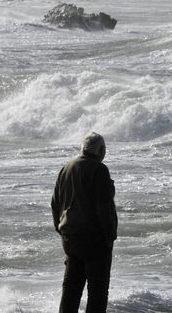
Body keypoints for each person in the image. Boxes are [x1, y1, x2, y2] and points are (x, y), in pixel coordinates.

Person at [51, 132, 118, 313]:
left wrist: (62, 230)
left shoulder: (66, 168)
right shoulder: (99, 169)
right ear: (101, 150)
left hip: (70, 238)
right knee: (97, 292)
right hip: (94, 240)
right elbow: (103, 207)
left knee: (71, 290)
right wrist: (110, 236)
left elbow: (55, 204)